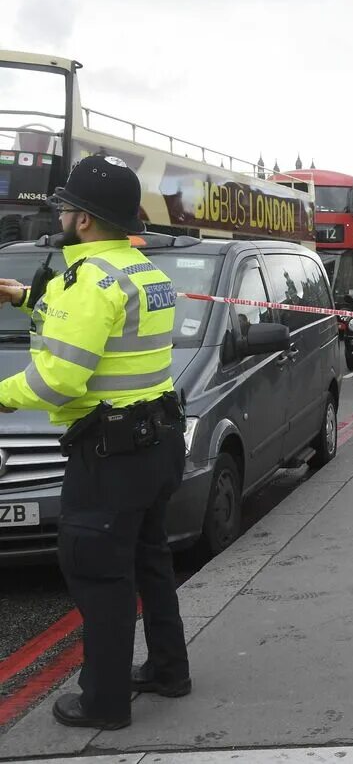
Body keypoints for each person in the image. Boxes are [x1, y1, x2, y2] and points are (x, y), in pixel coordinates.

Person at [0, 155, 189, 730]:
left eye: (64, 207)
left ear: (83, 220)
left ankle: (104, 702)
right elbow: (103, 325)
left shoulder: (87, 283)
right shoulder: (142, 271)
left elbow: (59, 379)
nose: (58, 213)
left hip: (109, 456)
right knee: (150, 561)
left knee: (99, 574)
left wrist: (2, 394)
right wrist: (25, 299)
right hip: (156, 442)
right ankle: (167, 670)